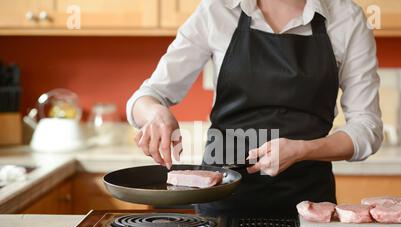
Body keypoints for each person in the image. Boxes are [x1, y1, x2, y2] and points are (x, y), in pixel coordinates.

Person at [126, 0, 383, 215]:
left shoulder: (347, 18)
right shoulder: (218, 10)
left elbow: (367, 127)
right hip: (222, 202)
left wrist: (304, 149)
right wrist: (156, 113)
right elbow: (148, 96)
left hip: (310, 207)